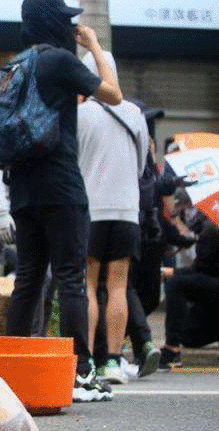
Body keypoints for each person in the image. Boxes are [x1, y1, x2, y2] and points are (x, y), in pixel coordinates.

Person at [3, 0, 123, 403]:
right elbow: (114, 95)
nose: (74, 27)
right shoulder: (57, 61)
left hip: (21, 188)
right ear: (53, 23)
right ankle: (81, 370)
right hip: (59, 186)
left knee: (28, 279)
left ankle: (11, 368)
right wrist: (94, 48)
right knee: (70, 276)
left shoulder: (17, 64)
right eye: (67, 21)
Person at [77, 51, 149, 384]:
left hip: (91, 209)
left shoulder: (79, 114)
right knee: (118, 285)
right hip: (125, 208)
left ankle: (89, 360)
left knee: (89, 284)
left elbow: (73, 164)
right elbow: (141, 164)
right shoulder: (134, 113)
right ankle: (115, 362)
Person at [160, 214, 219, 369]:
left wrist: (171, 272)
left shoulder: (212, 230)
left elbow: (201, 268)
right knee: (188, 335)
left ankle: (171, 349)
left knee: (176, 284)